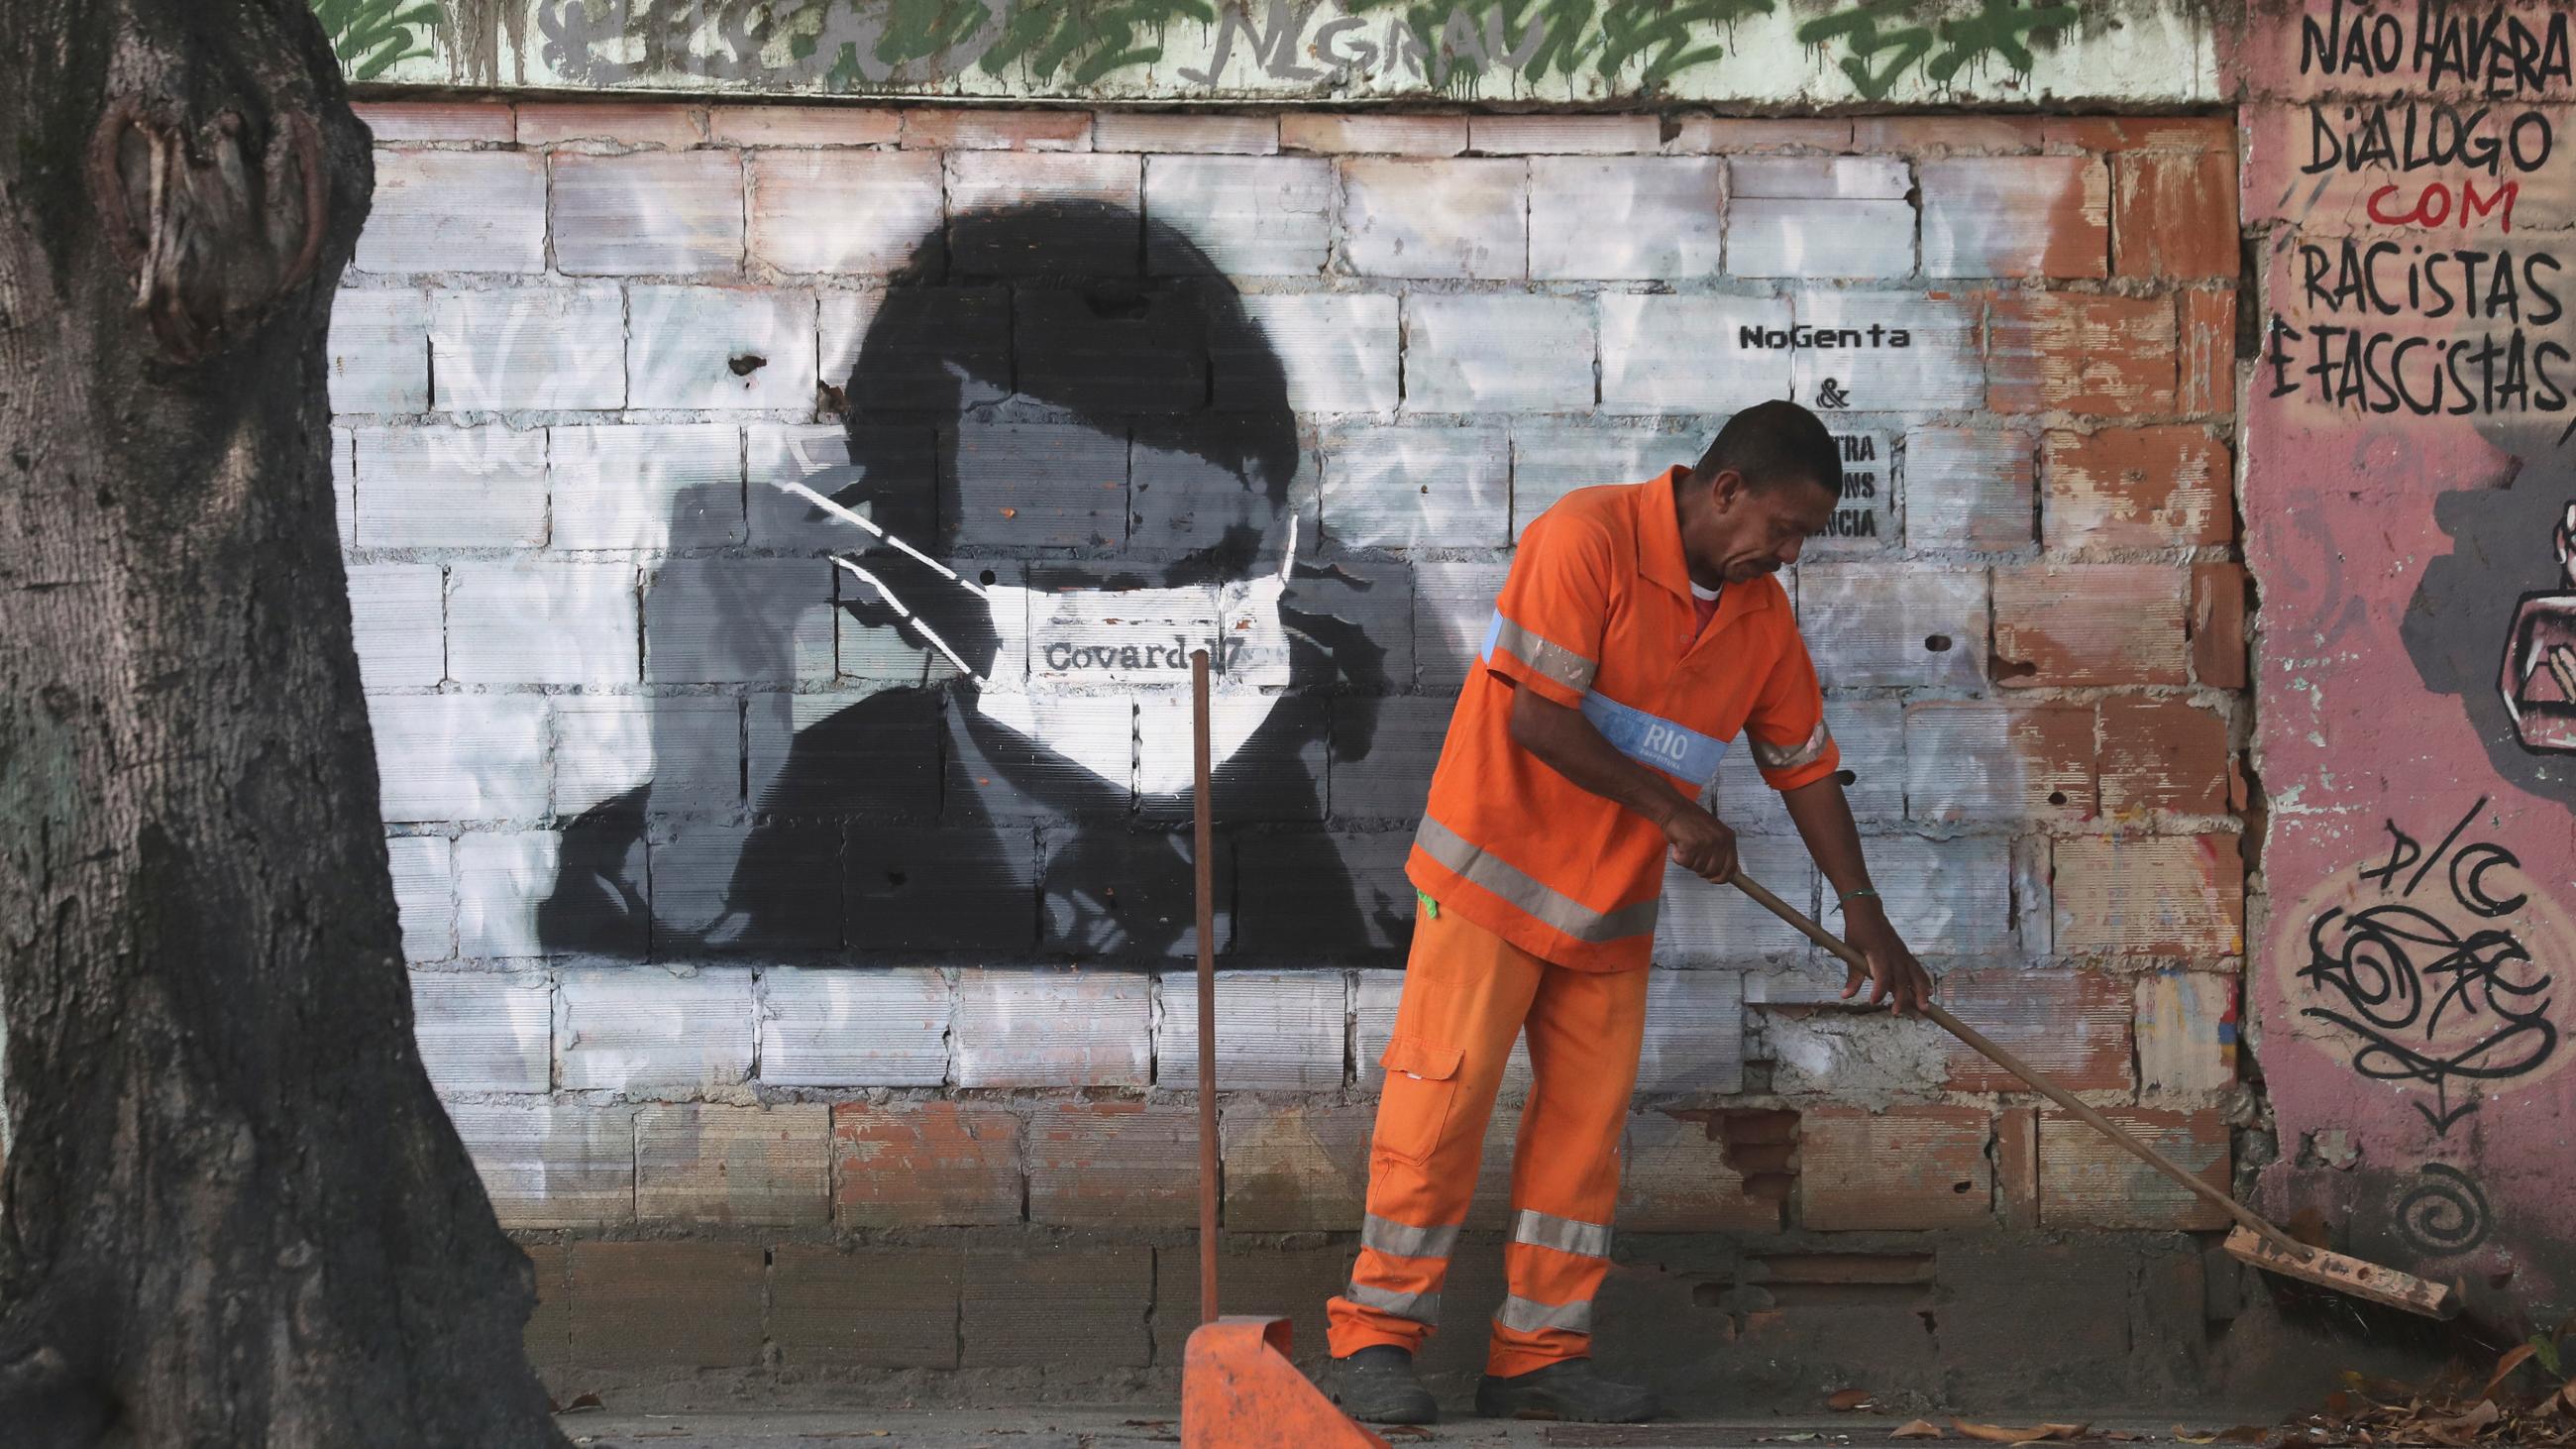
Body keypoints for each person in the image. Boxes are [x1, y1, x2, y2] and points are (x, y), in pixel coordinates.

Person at [538, 201, 1401, 962]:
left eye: (1196, 571)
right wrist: (709, 809)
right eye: (1060, 582)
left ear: (1274, 538)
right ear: (905, 571)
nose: (1139, 627)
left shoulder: (1386, 827)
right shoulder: (724, 845)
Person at [1322, 400, 1936, 1425]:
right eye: (1780, 529)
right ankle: (1377, 1337)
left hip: (1607, 910)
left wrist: (1865, 911)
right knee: (1439, 1110)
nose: (1785, 556)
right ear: (1725, 488)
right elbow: (1533, 717)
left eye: (1801, 540)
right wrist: (1671, 811)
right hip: (1488, 879)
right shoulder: (1585, 537)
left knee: (1582, 1137)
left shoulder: (1759, 620)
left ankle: (1535, 1358)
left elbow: (1803, 767)